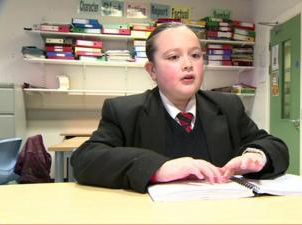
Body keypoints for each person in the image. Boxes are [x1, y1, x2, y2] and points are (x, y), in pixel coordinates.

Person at [71, 23, 289, 193]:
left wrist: (256, 156)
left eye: (195, 55)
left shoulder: (227, 106)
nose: (188, 64)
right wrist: (158, 169)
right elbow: (85, 160)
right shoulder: (124, 111)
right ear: (152, 70)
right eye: (173, 57)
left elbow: (274, 146)